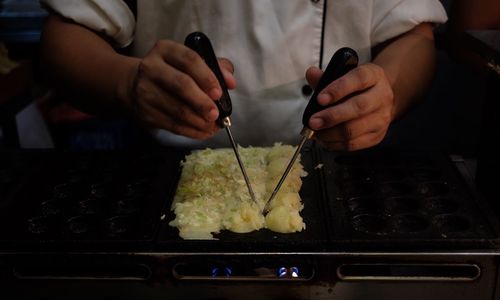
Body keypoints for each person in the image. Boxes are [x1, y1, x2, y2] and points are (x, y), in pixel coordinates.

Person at [39, 0, 447, 151]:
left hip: (339, 168)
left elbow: (414, 34)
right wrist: (125, 82)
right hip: (168, 165)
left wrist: (386, 90)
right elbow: (66, 33)